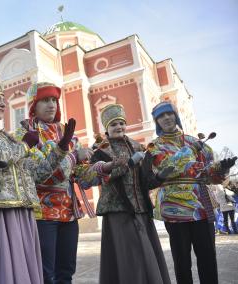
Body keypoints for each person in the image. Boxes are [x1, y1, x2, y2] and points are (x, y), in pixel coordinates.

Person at [0, 72, 76, 284]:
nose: (4, 102)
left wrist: (61, 149)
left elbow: (36, 172)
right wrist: (24, 146)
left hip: (20, 213)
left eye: (3, 97)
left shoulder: (7, 136)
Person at [15, 82, 100, 284]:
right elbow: (40, 174)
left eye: (54, 100)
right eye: (45, 100)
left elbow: (82, 177)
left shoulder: (67, 131)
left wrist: (103, 168)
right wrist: (73, 157)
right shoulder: (26, 133)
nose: (51, 104)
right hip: (42, 214)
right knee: (46, 274)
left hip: (69, 214)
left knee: (66, 272)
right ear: (33, 105)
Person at [148, 101, 237, 284]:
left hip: (201, 207)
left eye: (169, 114)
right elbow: (167, 167)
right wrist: (190, 150)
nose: (166, 118)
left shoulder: (195, 142)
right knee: (182, 261)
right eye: (160, 117)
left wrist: (221, 169)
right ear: (156, 122)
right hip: (174, 209)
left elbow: (208, 176)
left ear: (176, 116)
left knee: (208, 257)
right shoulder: (154, 147)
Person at [90, 104, 171, 284]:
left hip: (141, 208)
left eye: (121, 123)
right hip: (118, 210)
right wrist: (129, 164)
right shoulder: (100, 149)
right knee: (129, 255)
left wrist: (160, 177)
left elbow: (147, 180)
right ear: (106, 128)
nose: (118, 127)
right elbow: (103, 177)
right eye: (113, 124)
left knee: (147, 253)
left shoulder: (138, 146)